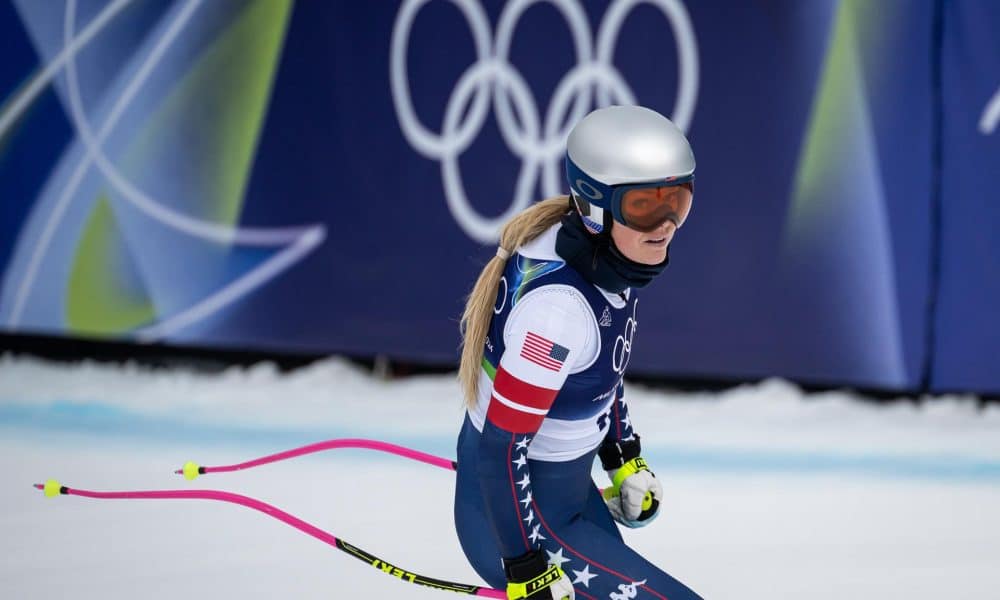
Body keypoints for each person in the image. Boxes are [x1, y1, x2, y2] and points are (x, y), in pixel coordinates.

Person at [453, 105, 703, 600]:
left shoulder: (609, 255)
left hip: (564, 500)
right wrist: (525, 566)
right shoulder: (557, 313)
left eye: (677, 200)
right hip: (519, 522)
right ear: (593, 207)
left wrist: (622, 455)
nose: (666, 223)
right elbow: (501, 447)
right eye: (645, 207)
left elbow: (599, 368)